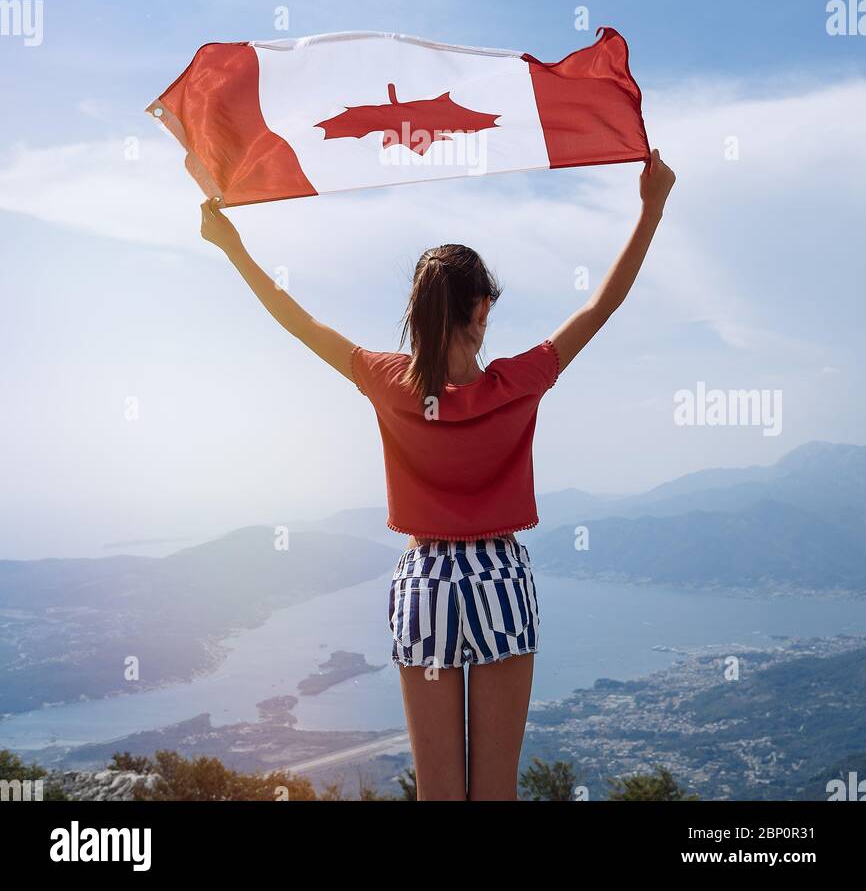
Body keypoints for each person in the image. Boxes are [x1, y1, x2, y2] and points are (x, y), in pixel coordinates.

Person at [200, 148, 676, 801]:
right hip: (499, 577)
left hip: (425, 584)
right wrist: (651, 209)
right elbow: (603, 304)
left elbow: (296, 317)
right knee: (495, 793)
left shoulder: (387, 382)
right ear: (481, 310)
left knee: (439, 795)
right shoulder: (519, 381)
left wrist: (231, 245)